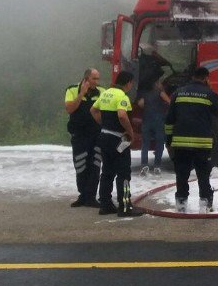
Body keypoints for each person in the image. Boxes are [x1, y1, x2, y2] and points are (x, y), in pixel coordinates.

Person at [165, 67, 218, 213]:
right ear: (206, 78)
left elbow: (169, 120)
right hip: (202, 143)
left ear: (192, 77)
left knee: (182, 174)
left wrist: (169, 141)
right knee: (203, 174)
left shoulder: (177, 93)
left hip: (180, 143)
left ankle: (181, 205)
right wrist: (211, 90)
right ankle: (205, 204)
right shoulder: (209, 94)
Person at [91, 71, 144, 217]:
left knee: (107, 172)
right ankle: (125, 206)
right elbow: (122, 115)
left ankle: (105, 205)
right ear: (128, 83)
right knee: (124, 174)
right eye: (131, 83)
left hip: (104, 137)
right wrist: (130, 132)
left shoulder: (106, 93)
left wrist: (103, 123)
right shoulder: (122, 96)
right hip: (119, 139)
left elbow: (93, 110)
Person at [64, 68, 103, 208]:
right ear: (86, 79)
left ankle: (92, 196)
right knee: (80, 165)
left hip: (96, 135)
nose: (97, 82)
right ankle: (83, 195)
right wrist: (82, 94)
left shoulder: (101, 92)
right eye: (94, 79)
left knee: (95, 165)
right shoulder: (72, 90)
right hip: (79, 135)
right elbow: (69, 109)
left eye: (98, 79)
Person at [137, 78, 170, 174]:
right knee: (159, 143)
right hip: (158, 121)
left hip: (147, 120)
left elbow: (140, 104)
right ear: (156, 84)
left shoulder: (145, 94)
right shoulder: (160, 92)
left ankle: (144, 165)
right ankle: (157, 166)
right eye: (159, 82)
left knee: (145, 144)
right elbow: (169, 101)